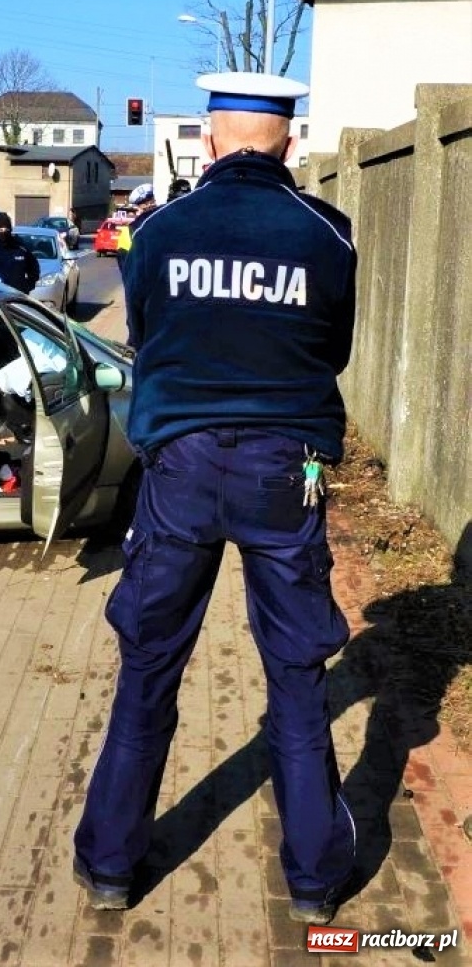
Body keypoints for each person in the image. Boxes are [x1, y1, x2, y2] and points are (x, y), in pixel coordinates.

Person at [73, 72, 359, 925]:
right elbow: (331, 349)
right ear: (292, 144)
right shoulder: (327, 234)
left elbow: (148, 338)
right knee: (297, 677)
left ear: (206, 139)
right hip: (287, 472)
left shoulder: (158, 231)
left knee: (149, 667)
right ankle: (314, 885)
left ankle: (110, 869)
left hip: (181, 472)